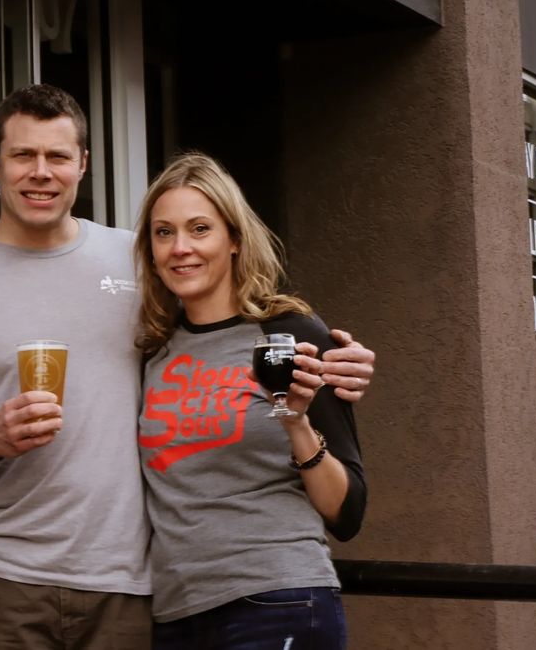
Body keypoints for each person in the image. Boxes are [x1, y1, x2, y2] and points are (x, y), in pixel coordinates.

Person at [0, 85, 375, 649]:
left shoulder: (140, 263)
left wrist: (338, 361)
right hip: (4, 576)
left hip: (134, 589)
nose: (41, 172)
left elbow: (238, 318)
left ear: (83, 165)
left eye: (58, 156)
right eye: (23, 155)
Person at [134, 152, 367, 649]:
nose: (181, 248)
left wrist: (297, 423)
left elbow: (348, 513)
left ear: (234, 239)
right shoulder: (153, 353)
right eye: (164, 232)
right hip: (176, 614)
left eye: (200, 229)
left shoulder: (290, 335)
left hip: (278, 598)